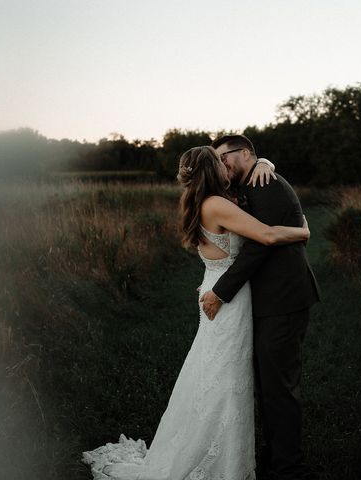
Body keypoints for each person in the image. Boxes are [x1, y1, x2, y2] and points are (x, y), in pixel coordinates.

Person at [82, 145, 310, 479]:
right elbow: (266, 235)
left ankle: (226, 452)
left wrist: (264, 160)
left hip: (220, 291)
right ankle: (218, 459)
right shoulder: (216, 204)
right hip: (227, 301)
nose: (225, 164)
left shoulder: (206, 201)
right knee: (224, 379)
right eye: (219, 161)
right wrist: (303, 230)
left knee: (217, 375)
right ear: (212, 170)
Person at [200, 134, 320, 480]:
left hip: (283, 300)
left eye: (226, 157)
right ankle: (275, 457)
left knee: (280, 388)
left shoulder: (264, 182)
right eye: (218, 159)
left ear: (247, 154)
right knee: (271, 386)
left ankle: (290, 468)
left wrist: (220, 291)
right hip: (269, 300)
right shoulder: (254, 179)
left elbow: (257, 248)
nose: (223, 164)